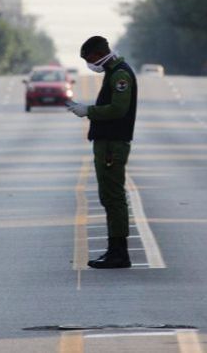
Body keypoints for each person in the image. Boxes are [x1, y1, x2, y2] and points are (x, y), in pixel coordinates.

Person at [67, 36, 137, 269]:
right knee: (108, 196)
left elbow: (119, 109)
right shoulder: (112, 71)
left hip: (112, 144)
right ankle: (114, 249)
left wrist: (89, 111)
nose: (89, 64)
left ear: (97, 55)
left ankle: (119, 253)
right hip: (107, 143)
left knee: (114, 197)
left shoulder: (120, 75)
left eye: (88, 59)